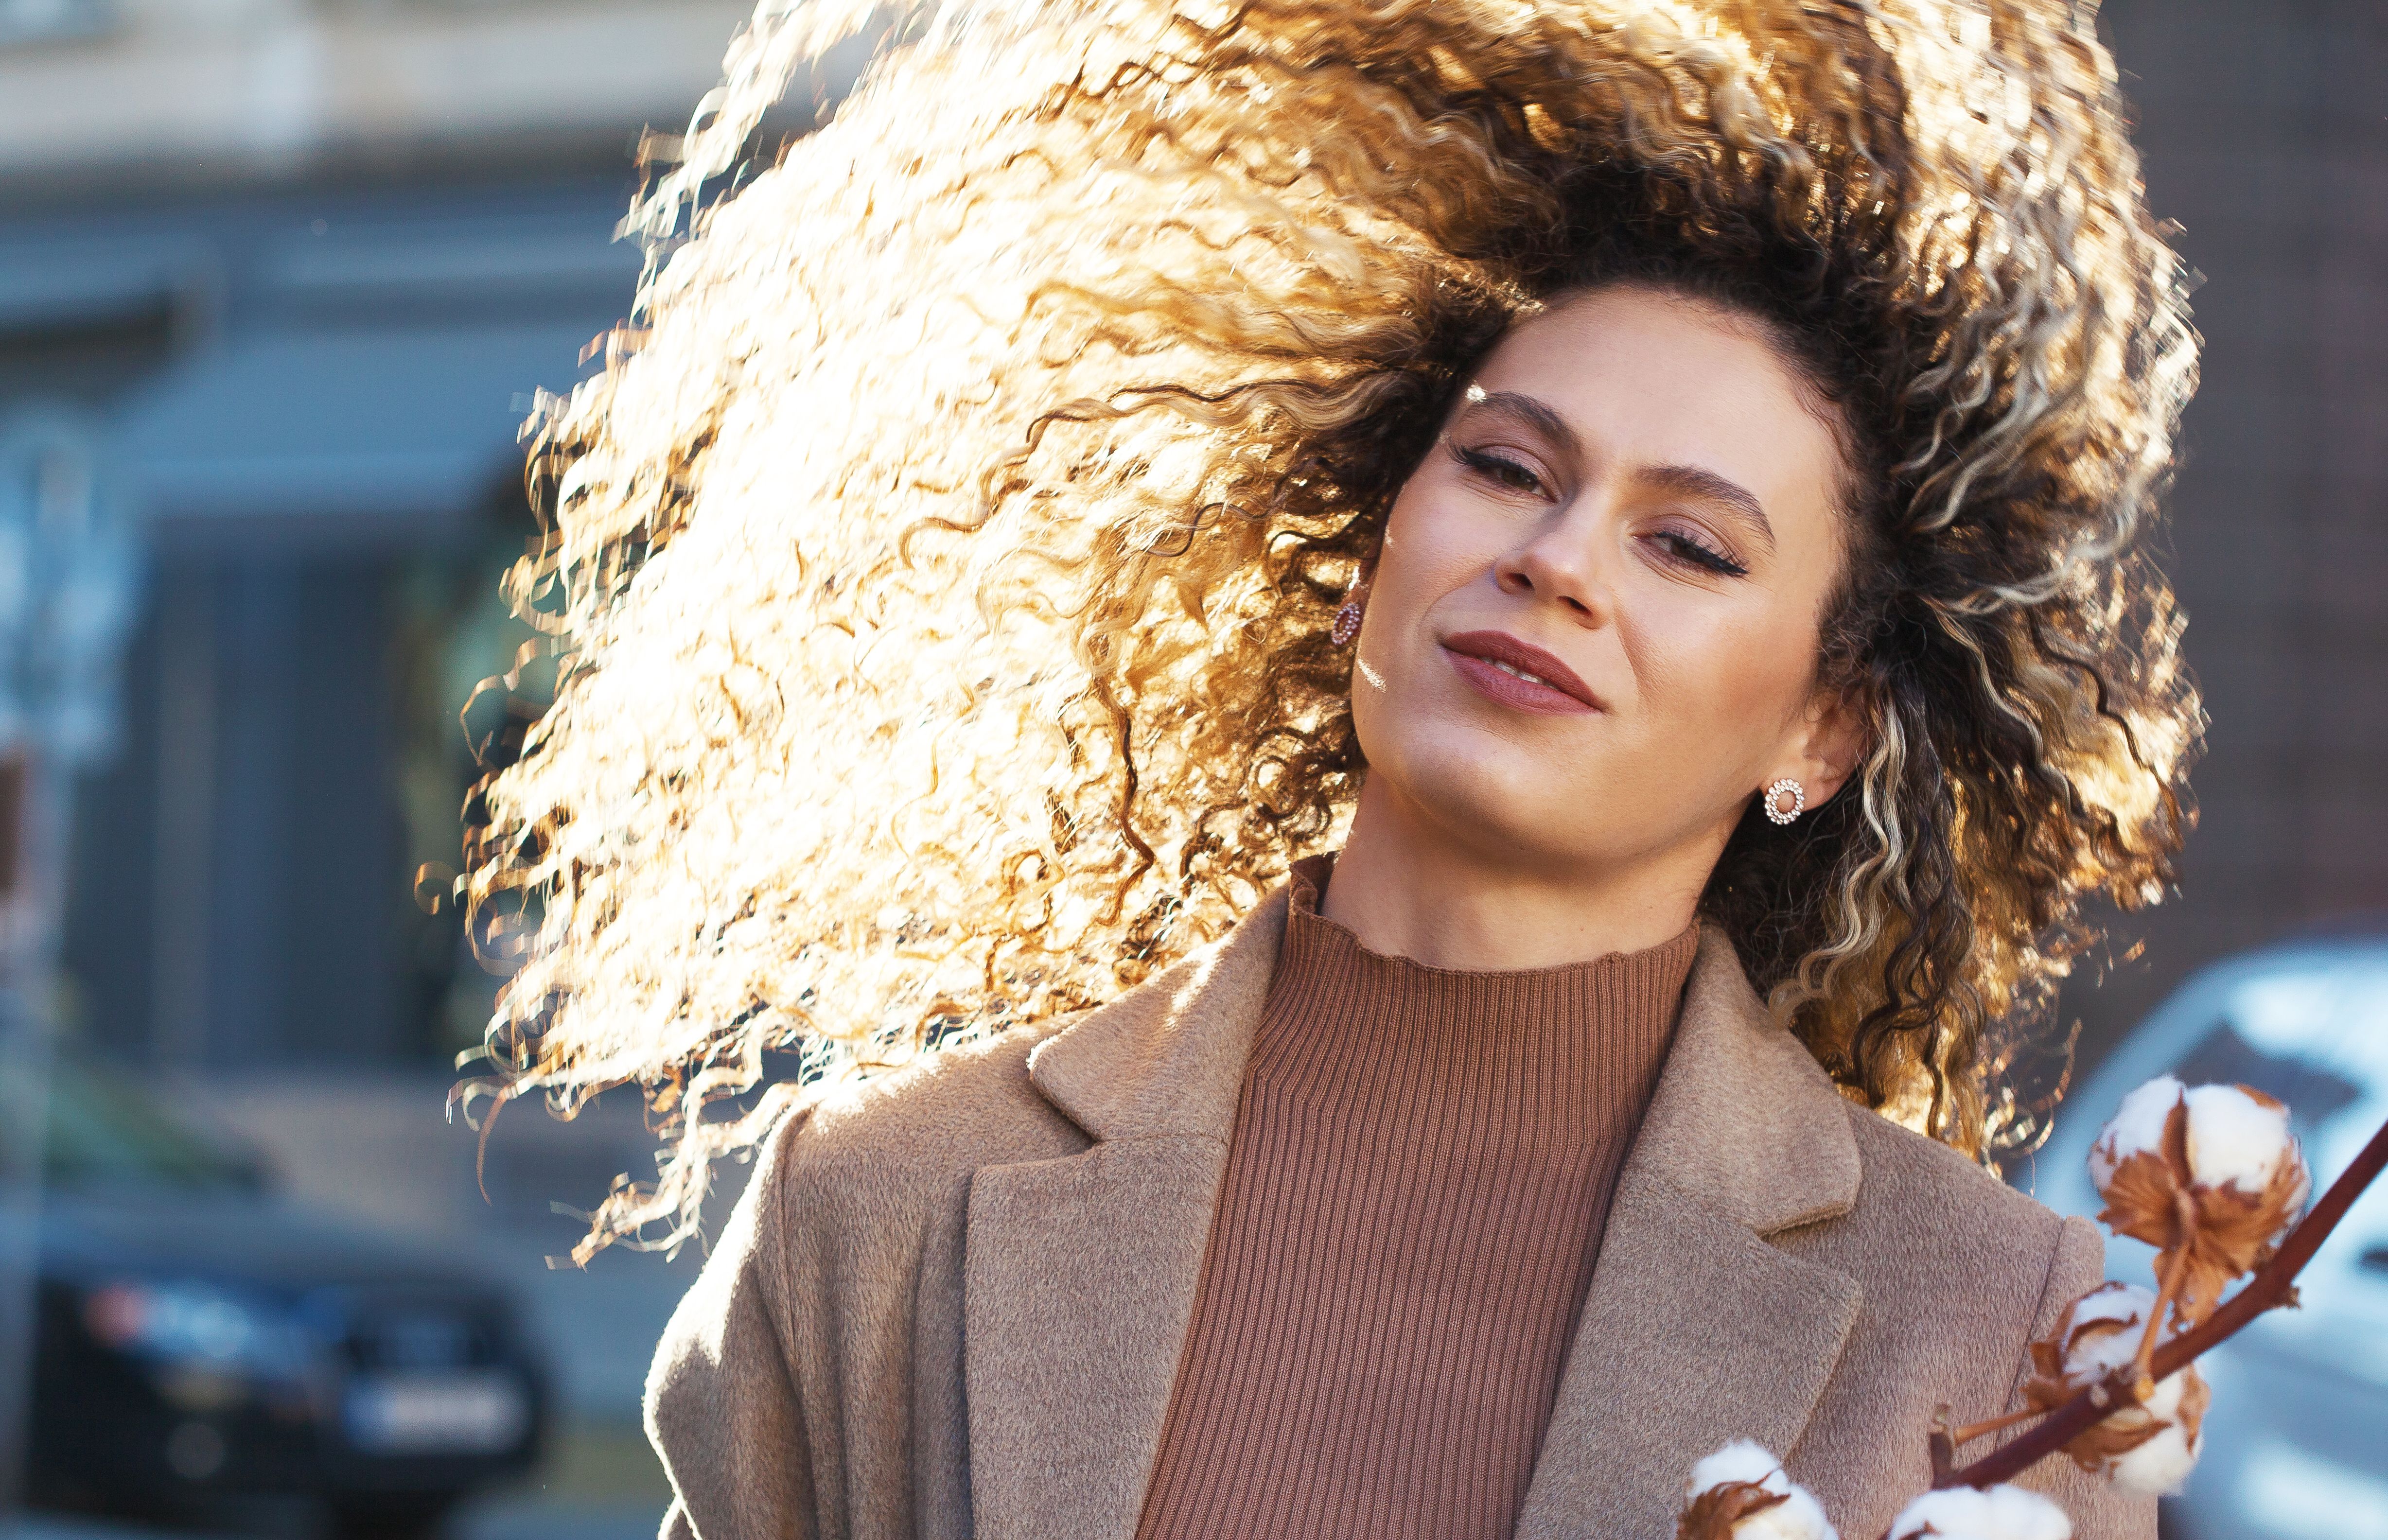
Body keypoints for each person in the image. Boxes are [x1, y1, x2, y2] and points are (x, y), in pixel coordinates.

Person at [462, 0, 2201, 1536]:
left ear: (1825, 729)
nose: (1562, 559)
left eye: (1690, 546)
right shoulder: (877, 1212)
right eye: (1511, 471)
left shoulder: (1998, 1332)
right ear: (1374, 545)